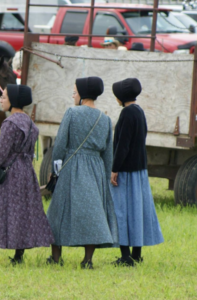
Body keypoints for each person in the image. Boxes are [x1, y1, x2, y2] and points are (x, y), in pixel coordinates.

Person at [46, 76, 119, 269]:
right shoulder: (105, 119)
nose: (73, 95)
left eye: (74, 91)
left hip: (72, 166)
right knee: (93, 213)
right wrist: (104, 176)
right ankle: (87, 260)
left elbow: (60, 144)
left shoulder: (72, 113)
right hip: (95, 167)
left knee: (58, 210)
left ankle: (56, 257)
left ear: (82, 94)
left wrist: (55, 170)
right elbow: (107, 152)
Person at [0, 84, 54, 265]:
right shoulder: (31, 125)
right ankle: (18, 257)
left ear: (13, 101)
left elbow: (2, 153)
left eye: (4, 97)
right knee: (22, 212)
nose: (1, 100)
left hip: (9, 172)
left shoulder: (9, 123)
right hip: (26, 173)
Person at [110, 78, 164, 266]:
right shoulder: (139, 112)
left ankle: (125, 257)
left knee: (122, 211)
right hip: (140, 171)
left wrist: (114, 168)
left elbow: (122, 146)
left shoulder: (126, 113)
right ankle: (137, 254)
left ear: (122, 97)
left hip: (126, 172)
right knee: (137, 211)